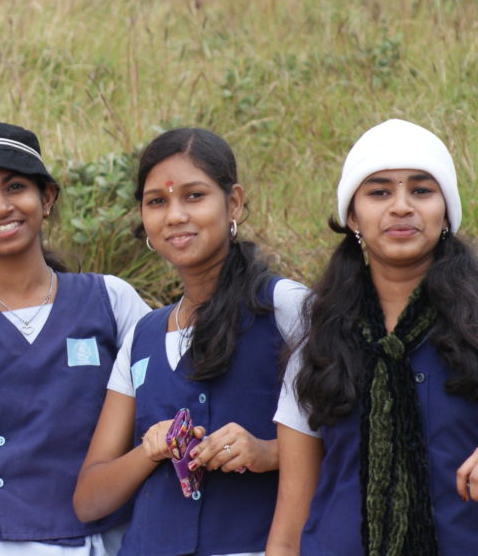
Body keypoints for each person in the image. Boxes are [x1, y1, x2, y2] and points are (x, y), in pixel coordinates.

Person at [0, 122, 153, 555]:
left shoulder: (111, 300)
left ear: (47, 197)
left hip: (107, 535)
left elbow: (163, 407)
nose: (0, 207)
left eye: (15, 187)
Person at [73, 127, 307, 556]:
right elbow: (90, 499)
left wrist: (269, 453)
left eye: (194, 196)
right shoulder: (142, 336)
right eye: (157, 201)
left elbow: (355, 448)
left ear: (233, 202)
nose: (175, 215)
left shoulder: (285, 309)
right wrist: (150, 450)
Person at [266, 119, 478, 556]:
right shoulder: (320, 339)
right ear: (352, 216)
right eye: (379, 192)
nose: (401, 206)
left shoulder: (473, 323)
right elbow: (291, 517)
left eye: (421, 190)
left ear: (446, 212)